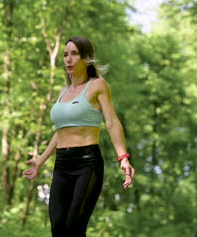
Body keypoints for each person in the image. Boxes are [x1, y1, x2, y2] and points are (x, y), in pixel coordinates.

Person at [23, 37, 135, 237]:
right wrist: (40, 160)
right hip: (61, 165)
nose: (69, 59)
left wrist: (123, 157)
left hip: (87, 163)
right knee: (58, 228)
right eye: (66, 54)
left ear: (86, 58)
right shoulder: (62, 92)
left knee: (74, 227)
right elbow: (61, 133)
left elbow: (111, 122)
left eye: (75, 54)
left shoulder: (97, 85)